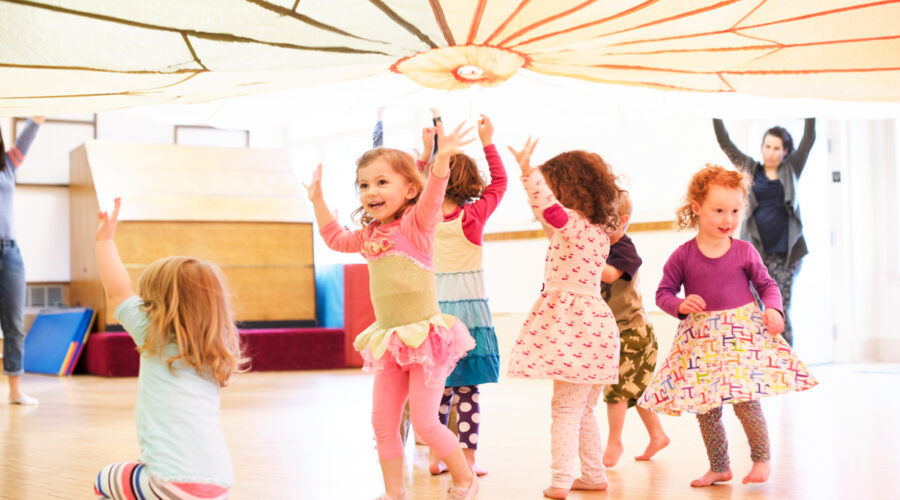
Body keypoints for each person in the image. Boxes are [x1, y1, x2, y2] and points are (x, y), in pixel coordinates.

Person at [304, 122, 479, 500]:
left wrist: (442, 159)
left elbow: (434, 194)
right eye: (364, 185)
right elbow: (335, 238)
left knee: (425, 422)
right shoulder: (368, 237)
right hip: (391, 342)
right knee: (382, 423)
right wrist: (317, 201)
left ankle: (465, 478)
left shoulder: (417, 226)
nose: (371, 192)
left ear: (409, 189)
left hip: (427, 340)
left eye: (382, 182)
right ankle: (394, 493)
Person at [638, 165, 818, 487]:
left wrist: (774, 309)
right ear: (697, 208)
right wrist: (679, 305)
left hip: (741, 336)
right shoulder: (682, 256)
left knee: (746, 402)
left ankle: (761, 459)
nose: (728, 219)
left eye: (735, 210)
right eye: (719, 210)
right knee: (706, 409)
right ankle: (719, 466)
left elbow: (767, 285)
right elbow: (663, 294)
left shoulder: (744, 251)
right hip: (703, 340)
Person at [93, 198, 244, 500]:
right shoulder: (216, 347)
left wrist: (105, 241)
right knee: (138, 474)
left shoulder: (155, 334)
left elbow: (118, 290)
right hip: (220, 485)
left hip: (168, 484)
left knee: (104, 480)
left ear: (158, 306)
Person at [505, 140, 621, 499]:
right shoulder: (597, 232)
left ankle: (559, 480)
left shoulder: (572, 224)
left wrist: (528, 174)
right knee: (584, 408)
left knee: (566, 408)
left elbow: (551, 212)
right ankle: (593, 474)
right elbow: (548, 218)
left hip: (577, 325)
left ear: (568, 190)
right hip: (596, 326)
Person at [428, 115, 506, 477]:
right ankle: (468, 459)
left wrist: (433, 150)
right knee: (467, 389)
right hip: (470, 315)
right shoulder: (472, 216)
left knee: (437, 388)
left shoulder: (422, 217)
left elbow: (421, 182)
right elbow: (501, 183)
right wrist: (488, 142)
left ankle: (436, 457)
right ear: (470, 182)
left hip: (433, 312)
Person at [712, 118, 816, 345]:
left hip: (786, 256)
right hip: (756, 255)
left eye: (776, 148)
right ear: (762, 147)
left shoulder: (791, 170)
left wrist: (811, 105)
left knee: (780, 310)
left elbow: (809, 140)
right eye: (767, 146)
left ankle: (787, 368)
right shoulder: (751, 169)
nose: (770, 152)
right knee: (754, 310)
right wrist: (716, 110)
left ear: (785, 151)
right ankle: (760, 363)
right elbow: (725, 143)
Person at [598, 190, 669, 468]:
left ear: (622, 220)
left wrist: (581, 256)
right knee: (638, 390)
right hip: (620, 331)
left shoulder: (623, 249)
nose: (597, 228)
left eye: (604, 222)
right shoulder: (603, 247)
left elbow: (609, 274)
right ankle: (658, 435)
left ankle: (615, 441)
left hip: (634, 332)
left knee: (616, 388)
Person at [1, 116, 44, 405]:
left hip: (10, 253)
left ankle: (15, 390)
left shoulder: (8, 165)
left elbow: (27, 136)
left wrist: (37, 117)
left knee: (14, 324)